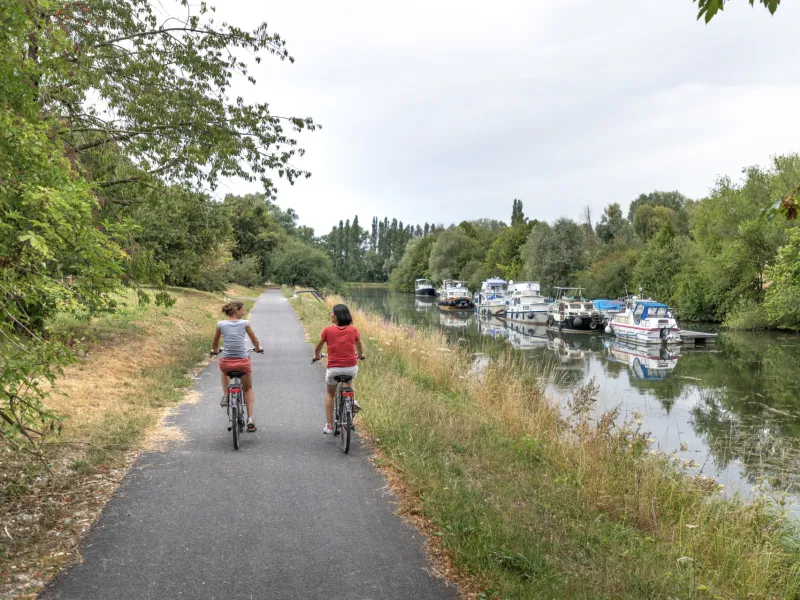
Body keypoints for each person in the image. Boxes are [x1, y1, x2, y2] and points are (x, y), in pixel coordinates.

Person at [313, 303, 365, 434]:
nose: (330, 314)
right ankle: (352, 400)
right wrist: (360, 355)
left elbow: (318, 348)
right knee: (349, 379)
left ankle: (329, 426)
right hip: (350, 367)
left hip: (334, 369)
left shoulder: (328, 330)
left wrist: (317, 356)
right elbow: (359, 346)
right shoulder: (353, 330)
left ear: (336, 316)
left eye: (331, 313)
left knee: (330, 393)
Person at [211, 301, 262, 432]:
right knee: (248, 388)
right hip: (242, 362)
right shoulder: (245, 324)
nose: (244, 312)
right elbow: (254, 340)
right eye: (242, 309)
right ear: (236, 310)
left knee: (224, 370)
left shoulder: (221, 324)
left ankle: (225, 395)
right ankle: (250, 418)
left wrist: (215, 350)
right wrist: (258, 348)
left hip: (227, 362)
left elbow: (215, 341)